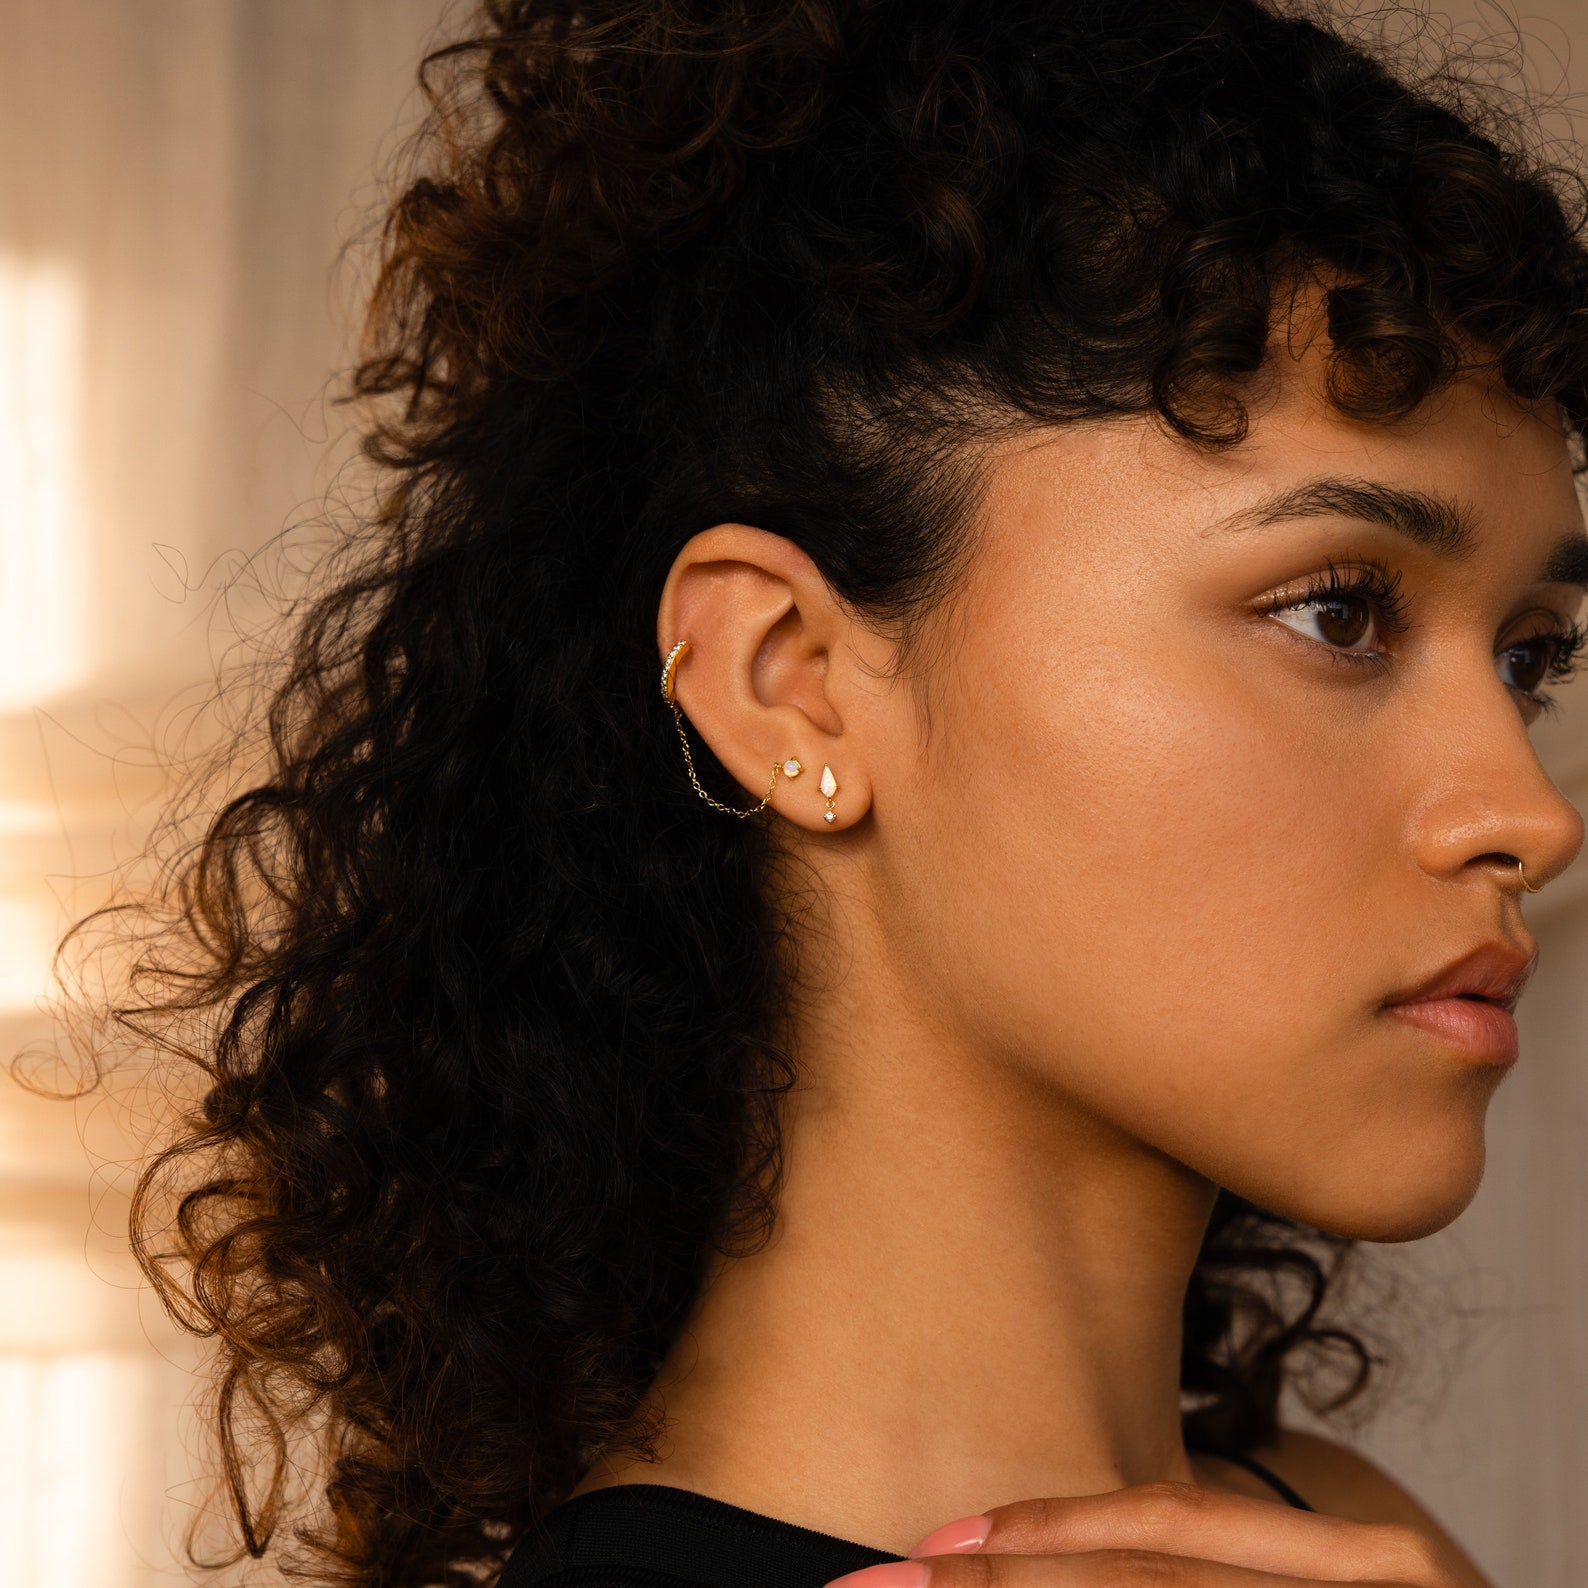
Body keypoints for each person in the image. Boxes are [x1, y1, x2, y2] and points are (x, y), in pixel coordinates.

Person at [85, 0, 1588, 1585]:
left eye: (1533, 661)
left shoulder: (1344, 1538)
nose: (1531, 815)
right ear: (790, 677)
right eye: (1337, 611)